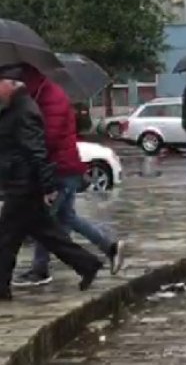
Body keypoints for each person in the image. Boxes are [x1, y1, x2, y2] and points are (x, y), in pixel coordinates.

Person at [11, 65, 125, 287]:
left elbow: (48, 138)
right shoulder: (42, 95)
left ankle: (40, 269)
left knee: (45, 221)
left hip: (60, 170)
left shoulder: (49, 98)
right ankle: (110, 247)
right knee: (67, 218)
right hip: (64, 167)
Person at [0, 67, 103, 301]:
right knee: (47, 234)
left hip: (23, 185)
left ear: (12, 84)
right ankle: (88, 264)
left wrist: (47, 186)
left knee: (6, 238)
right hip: (21, 182)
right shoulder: (16, 108)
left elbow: (37, 151)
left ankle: (1, 288)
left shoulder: (24, 110)